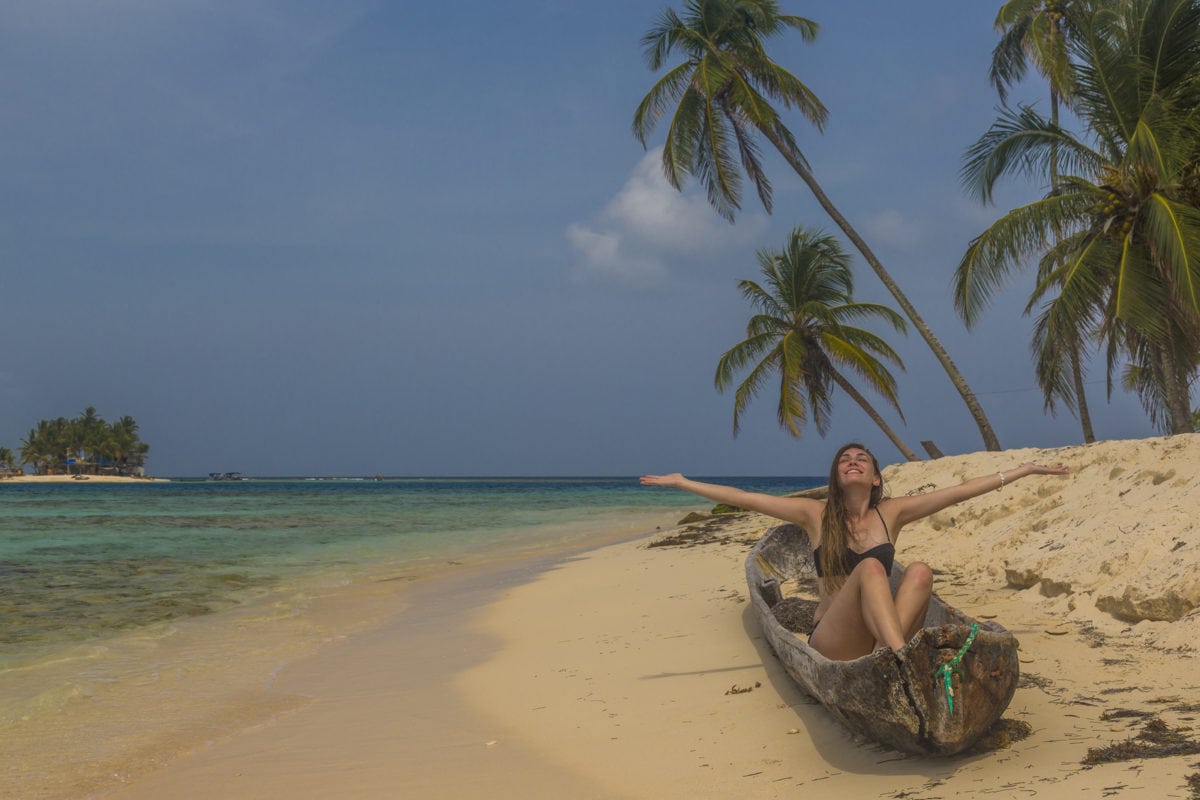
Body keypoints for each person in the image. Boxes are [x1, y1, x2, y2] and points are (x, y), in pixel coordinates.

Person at [640, 443, 1069, 661]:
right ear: (836, 477)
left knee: (920, 571)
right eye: (844, 459)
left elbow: (959, 492)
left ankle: (891, 655)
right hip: (835, 637)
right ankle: (902, 658)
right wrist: (684, 482)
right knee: (871, 570)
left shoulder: (892, 512)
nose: (852, 461)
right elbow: (746, 498)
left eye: (862, 458)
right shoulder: (814, 514)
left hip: (880, 636)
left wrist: (1024, 470)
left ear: (876, 478)